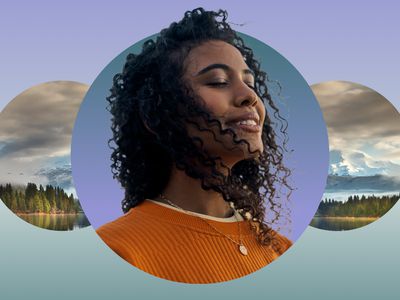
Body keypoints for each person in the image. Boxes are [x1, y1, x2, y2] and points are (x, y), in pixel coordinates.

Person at [97, 7, 292, 284]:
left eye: (250, 83)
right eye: (219, 82)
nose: (249, 96)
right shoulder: (118, 250)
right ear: (159, 115)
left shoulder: (279, 248)